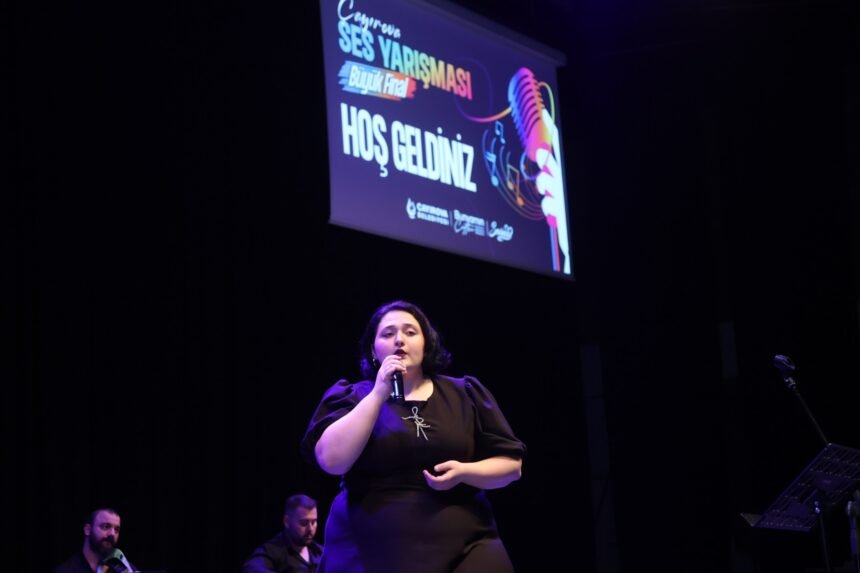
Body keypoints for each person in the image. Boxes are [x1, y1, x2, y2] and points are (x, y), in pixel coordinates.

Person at [300, 300, 526, 573]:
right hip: (369, 547)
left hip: (466, 545)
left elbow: (512, 467)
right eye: (388, 334)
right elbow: (332, 461)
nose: (399, 340)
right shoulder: (352, 396)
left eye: (410, 332)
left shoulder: (465, 393)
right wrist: (379, 393)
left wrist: (464, 472)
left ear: (426, 343)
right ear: (373, 350)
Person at [241, 493, 323, 573]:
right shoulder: (273, 550)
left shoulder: (320, 551)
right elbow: (250, 568)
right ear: (287, 521)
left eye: (313, 522)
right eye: (304, 523)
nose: (310, 529)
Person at [53, 508, 135, 573]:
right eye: (106, 526)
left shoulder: (123, 567)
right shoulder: (67, 570)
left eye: (116, 529)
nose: (112, 534)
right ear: (88, 530)